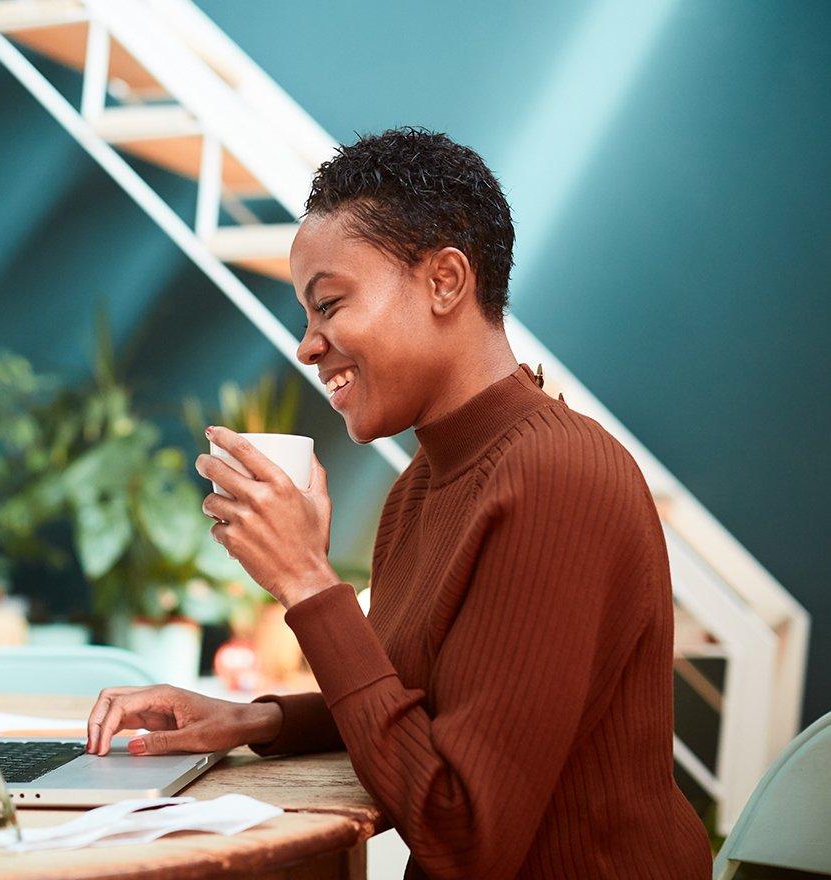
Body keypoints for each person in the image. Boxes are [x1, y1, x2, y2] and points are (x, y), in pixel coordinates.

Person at [84, 127, 713, 879]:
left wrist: (307, 581)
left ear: (446, 281)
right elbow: (421, 709)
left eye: (330, 305)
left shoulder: (557, 474)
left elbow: (465, 835)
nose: (308, 346)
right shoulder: (423, 483)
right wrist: (256, 720)